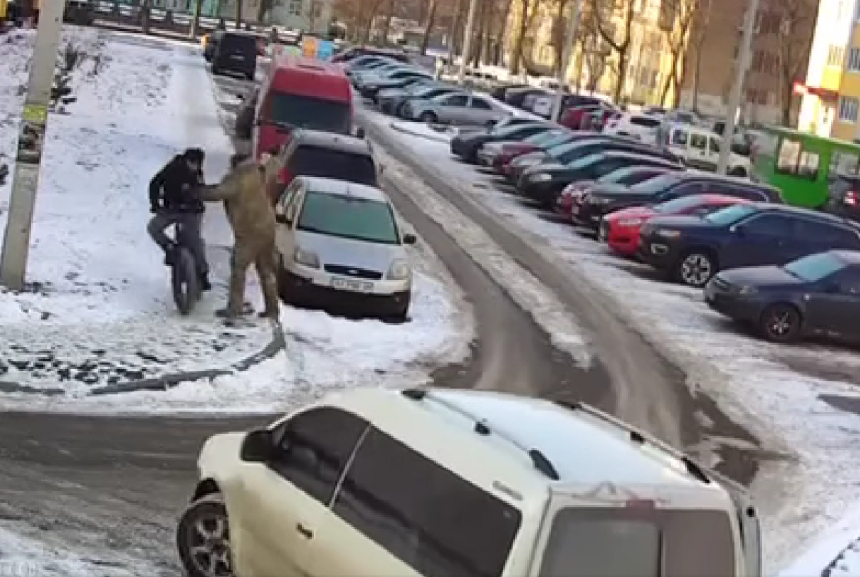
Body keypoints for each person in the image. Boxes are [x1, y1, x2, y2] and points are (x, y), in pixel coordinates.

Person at [196, 152, 280, 321]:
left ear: (235, 164)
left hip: (249, 231)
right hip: (268, 228)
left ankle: (234, 308)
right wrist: (274, 156)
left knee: (238, 267)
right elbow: (275, 166)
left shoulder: (237, 178)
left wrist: (196, 191)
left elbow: (217, 193)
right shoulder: (258, 172)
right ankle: (272, 310)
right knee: (266, 271)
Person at [147, 147, 211, 291]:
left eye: (198, 165)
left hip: (192, 211)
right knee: (153, 227)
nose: (196, 168)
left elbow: (201, 190)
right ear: (187, 161)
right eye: (193, 164)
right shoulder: (172, 169)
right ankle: (169, 247)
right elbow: (155, 183)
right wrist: (155, 205)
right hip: (172, 209)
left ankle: (202, 273)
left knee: (194, 240)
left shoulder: (198, 172)